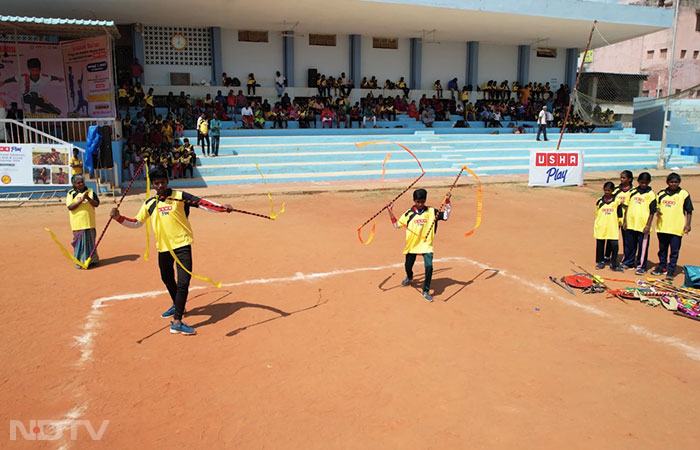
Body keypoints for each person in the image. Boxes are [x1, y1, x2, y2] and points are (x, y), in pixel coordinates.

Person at [109, 166, 234, 335]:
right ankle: (177, 305)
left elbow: (201, 203)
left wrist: (221, 208)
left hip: (182, 245)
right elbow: (137, 223)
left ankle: (177, 321)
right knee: (167, 278)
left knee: (183, 282)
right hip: (164, 248)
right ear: (152, 185)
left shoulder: (180, 197)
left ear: (167, 182)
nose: (160, 185)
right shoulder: (150, 204)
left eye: (162, 182)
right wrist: (118, 218)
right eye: (156, 183)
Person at [387, 189, 451, 302]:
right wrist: (390, 211)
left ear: (425, 200)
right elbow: (396, 225)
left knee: (429, 267)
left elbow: (445, 216)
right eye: (418, 201)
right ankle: (410, 276)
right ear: (414, 201)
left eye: (422, 201)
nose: (420, 204)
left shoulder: (432, 212)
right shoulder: (408, 214)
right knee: (408, 265)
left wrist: (447, 202)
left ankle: (426, 290)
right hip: (412, 246)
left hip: (426, 245)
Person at [650, 173, 693, 280]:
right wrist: (657, 210)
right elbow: (656, 206)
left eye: (676, 182)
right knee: (662, 249)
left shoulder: (684, 194)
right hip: (662, 227)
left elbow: (689, 210)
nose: (674, 184)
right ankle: (662, 267)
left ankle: (671, 270)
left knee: (674, 250)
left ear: (679, 183)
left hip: (676, 228)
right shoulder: (661, 193)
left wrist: (688, 224)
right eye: (672, 182)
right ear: (667, 182)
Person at [622, 172, 657, 275]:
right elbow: (627, 207)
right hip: (631, 224)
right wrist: (625, 221)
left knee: (642, 247)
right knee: (630, 245)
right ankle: (628, 262)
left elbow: (652, 212)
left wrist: (648, 225)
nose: (644, 184)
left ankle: (641, 266)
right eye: (642, 182)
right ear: (638, 181)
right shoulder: (632, 192)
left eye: (646, 183)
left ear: (649, 182)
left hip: (643, 226)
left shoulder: (651, 195)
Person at [67, 174, 100, 268]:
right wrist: (81, 200)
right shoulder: (71, 193)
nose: (81, 184)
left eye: (82, 182)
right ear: (74, 184)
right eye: (78, 183)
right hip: (78, 223)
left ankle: (92, 260)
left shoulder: (90, 191)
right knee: (79, 243)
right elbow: (70, 207)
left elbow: (96, 204)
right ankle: (80, 261)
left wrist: (88, 198)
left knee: (90, 242)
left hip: (89, 222)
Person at [594, 182, 624, 272]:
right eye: (605, 190)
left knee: (614, 244)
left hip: (613, 226)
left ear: (613, 191)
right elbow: (597, 213)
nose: (607, 192)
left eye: (609, 190)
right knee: (600, 244)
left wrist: (620, 223)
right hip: (601, 226)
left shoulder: (617, 201)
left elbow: (620, 214)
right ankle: (600, 261)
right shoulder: (599, 201)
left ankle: (613, 263)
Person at [612, 170, 634, 268]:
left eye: (624, 178)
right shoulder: (615, 190)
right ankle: (612, 258)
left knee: (628, 241)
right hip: (615, 219)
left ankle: (628, 261)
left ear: (629, 179)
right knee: (613, 239)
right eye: (621, 177)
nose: (621, 179)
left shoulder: (633, 191)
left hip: (627, 220)